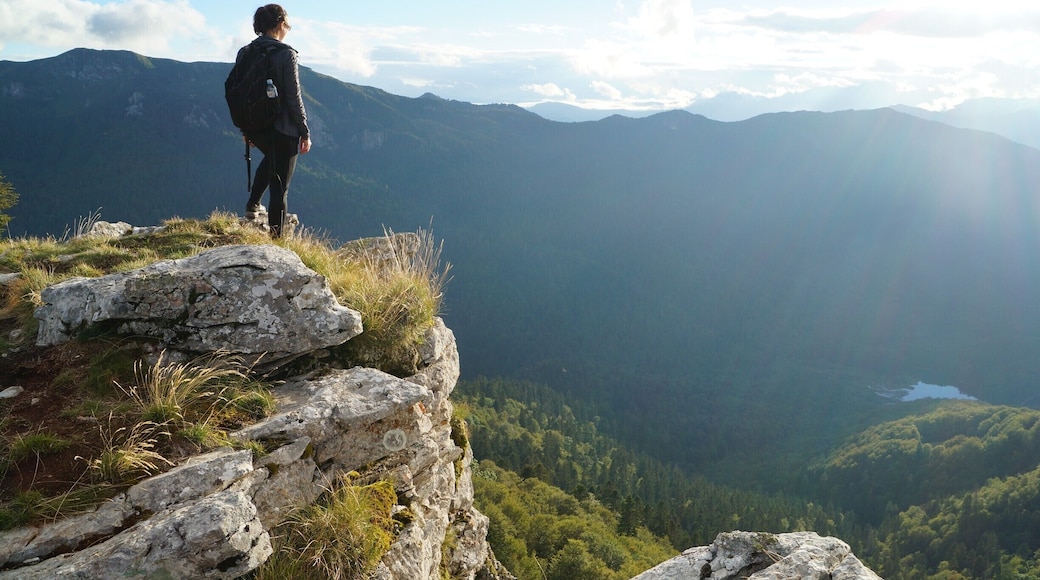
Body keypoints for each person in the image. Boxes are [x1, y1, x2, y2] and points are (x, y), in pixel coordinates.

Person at [236, 4, 312, 238]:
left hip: (257, 127)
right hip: (284, 129)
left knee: (271, 157)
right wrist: (305, 131)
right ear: (280, 24)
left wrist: (246, 128)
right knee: (281, 189)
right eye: (287, 23)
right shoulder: (286, 54)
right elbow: (293, 97)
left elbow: (240, 92)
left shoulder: (245, 52)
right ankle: (277, 241)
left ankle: (252, 206)